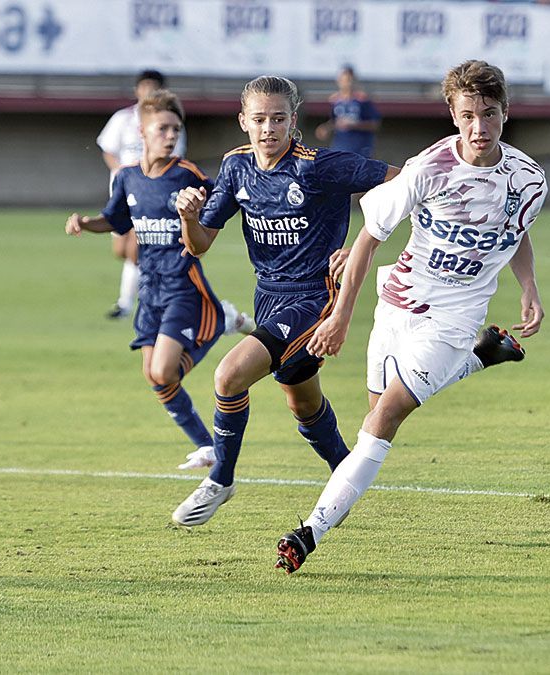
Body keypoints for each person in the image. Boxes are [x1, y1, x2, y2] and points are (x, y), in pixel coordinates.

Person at [274, 60, 548, 574]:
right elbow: (369, 239)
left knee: (382, 422)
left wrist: (528, 285)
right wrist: (338, 318)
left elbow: (515, 231)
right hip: (397, 304)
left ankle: (309, 532)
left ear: (505, 113)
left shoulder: (528, 181)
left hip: (455, 316)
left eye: (489, 115)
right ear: (452, 113)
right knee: (373, 421)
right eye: (468, 115)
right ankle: (480, 358)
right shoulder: (428, 169)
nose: (479, 128)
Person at [168, 75, 397, 527]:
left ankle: (221, 478)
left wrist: (363, 243)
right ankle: (345, 476)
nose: (268, 128)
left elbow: (400, 181)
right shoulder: (236, 169)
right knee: (302, 402)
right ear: (243, 122)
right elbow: (199, 245)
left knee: (229, 376)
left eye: (278, 118)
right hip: (269, 297)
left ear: (294, 122)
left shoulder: (318, 165)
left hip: (316, 297)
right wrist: (188, 217)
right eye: (259, 119)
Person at [66, 90, 252, 468]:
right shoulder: (128, 178)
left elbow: (225, 202)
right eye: (163, 128)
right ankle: (207, 445)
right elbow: (116, 221)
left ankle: (217, 321)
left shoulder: (187, 175)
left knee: (164, 370)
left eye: (176, 129)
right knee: (155, 378)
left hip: (184, 286)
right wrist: (87, 223)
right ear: (142, 131)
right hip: (150, 289)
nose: (171, 135)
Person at [97, 69, 188, 321]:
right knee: (121, 249)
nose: (148, 91)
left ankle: (127, 303)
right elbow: (108, 149)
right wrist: (123, 172)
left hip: (152, 192)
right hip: (123, 189)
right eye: (144, 86)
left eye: (154, 87)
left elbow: (175, 155)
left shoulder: (170, 121)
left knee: (137, 247)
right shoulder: (123, 118)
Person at [313, 66, 381, 158]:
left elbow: (374, 124)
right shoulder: (335, 101)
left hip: (360, 149)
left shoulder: (362, 100)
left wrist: (354, 125)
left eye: (349, 80)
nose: (347, 84)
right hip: (340, 148)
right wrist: (326, 128)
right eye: (344, 80)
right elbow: (335, 122)